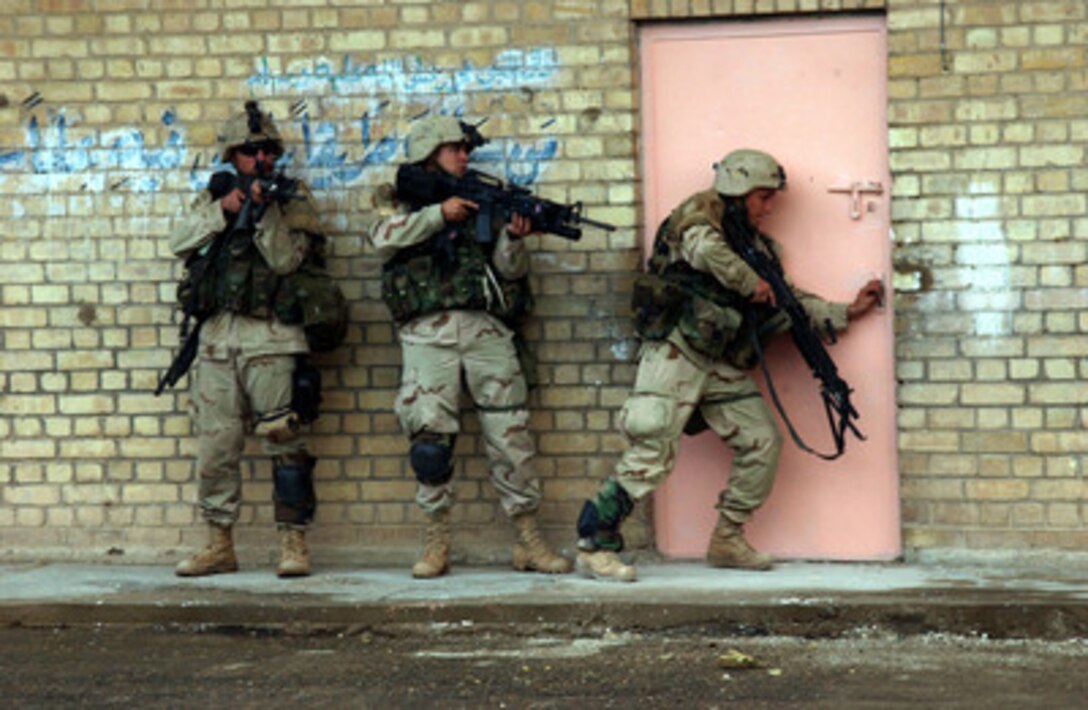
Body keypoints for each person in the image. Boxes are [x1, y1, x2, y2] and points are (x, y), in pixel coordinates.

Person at [574, 149, 884, 582]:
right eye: (763, 196)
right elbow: (705, 253)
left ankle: (727, 538)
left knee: (761, 441)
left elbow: (787, 299)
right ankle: (595, 543)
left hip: (717, 360)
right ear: (739, 190)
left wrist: (845, 311)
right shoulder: (699, 217)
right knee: (652, 448)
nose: (770, 206)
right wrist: (747, 281)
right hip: (677, 351)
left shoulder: (757, 248)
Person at [368, 115, 571, 578]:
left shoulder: (486, 196)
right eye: (454, 149)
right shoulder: (398, 198)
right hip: (427, 335)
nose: (464, 157)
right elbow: (380, 239)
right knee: (429, 441)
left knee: (511, 436)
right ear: (428, 153)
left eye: (465, 149)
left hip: (486, 331)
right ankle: (436, 541)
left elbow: (509, 271)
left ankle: (528, 540)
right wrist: (439, 214)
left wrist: (514, 239)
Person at [169, 101, 342, 578]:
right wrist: (224, 212)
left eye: (266, 150)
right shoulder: (216, 195)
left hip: (272, 337)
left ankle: (293, 543)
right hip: (217, 340)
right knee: (216, 448)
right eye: (249, 151)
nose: (259, 158)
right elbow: (179, 241)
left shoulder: (292, 200)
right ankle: (219, 543)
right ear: (233, 156)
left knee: (284, 442)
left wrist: (264, 213)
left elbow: (287, 262)